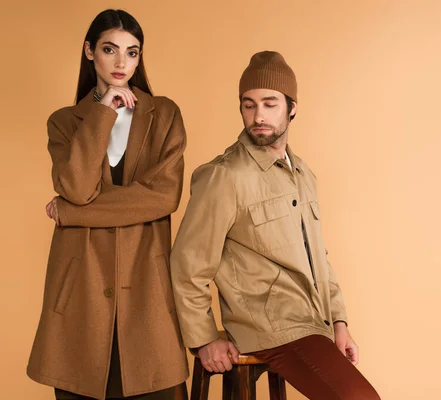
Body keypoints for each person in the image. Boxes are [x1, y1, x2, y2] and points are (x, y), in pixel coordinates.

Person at [170, 51, 380, 400]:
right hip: (269, 327)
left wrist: (339, 322)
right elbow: (187, 264)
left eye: (269, 104)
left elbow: (318, 258)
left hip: (311, 323)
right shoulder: (224, 176)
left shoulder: (303, 175)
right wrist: (204, 337)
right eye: (249, 105)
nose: (258, 116)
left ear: (291, 108)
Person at [27, 9, 188, 400]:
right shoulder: (65, 122)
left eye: (132, 52)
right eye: (110, 49)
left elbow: (162, 198)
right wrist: (103, 112)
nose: (121, 62)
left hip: (148, 290)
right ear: (89, 51)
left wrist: (71, 213)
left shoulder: (164, 115)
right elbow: (78, 187)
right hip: (81, 291)